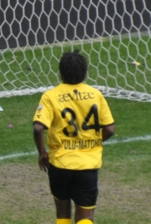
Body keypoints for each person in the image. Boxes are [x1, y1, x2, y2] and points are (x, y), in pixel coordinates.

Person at [32, 50, 115, 224]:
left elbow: (38, 128)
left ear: (60, 72)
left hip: (60, 164)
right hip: (87, 165)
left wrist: (42, 153)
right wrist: (94, 143)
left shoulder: (50, 96)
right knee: (86, 216)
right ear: (85, 72)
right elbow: (110, 129)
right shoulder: (95, 94)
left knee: (62, 211)